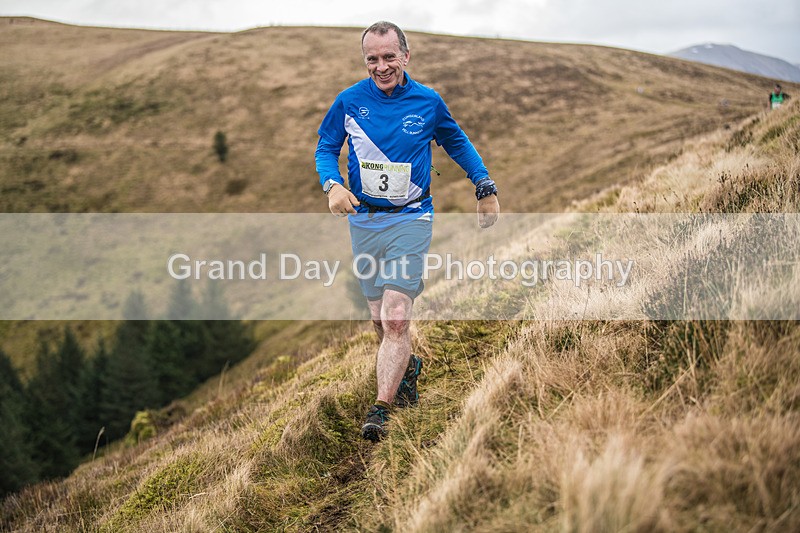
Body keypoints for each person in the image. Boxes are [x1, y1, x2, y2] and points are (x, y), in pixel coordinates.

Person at [315, 21, 500, 442]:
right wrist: (332, 185)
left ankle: (381, 408)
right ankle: (407, 368)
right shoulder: (349, 101)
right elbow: (325, 147)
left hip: (411, 218)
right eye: (372, 59)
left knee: (396, 317)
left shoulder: (427, 101)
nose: (381, 66)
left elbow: (457, 142)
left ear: (406, 56)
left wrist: (484, 186)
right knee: (379, 319)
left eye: (389, 57)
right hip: (365, 220)